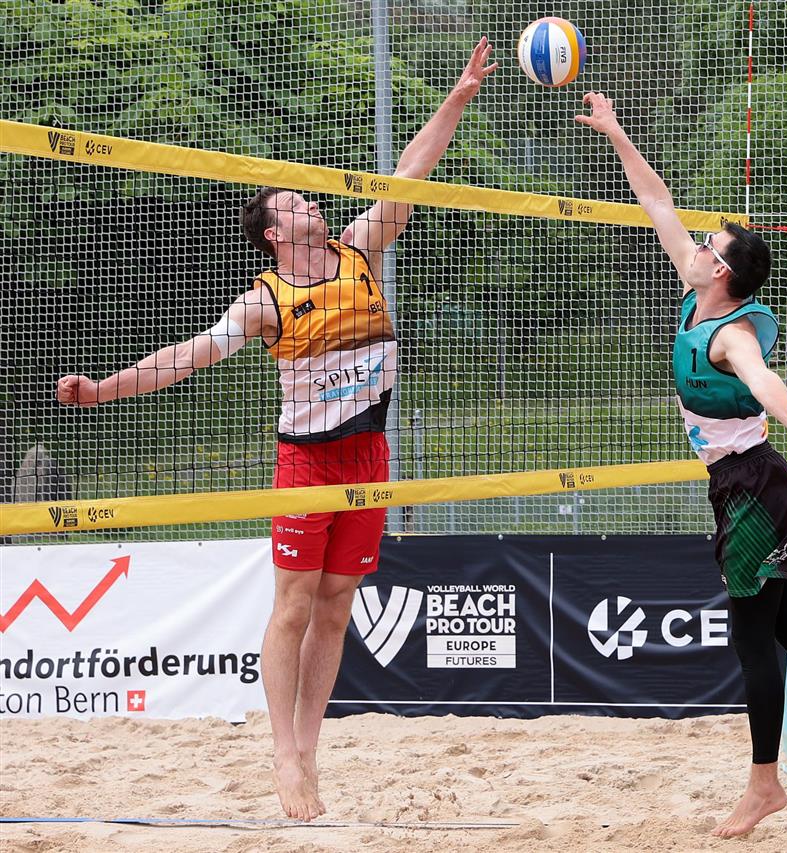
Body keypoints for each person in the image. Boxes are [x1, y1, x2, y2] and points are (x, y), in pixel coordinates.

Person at [55, 39, 497, 821]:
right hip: (307, 462)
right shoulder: (263, 301)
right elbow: (184, 357)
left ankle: (311, 749)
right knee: (293, 605)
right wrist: (101, 390)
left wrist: (458, 96)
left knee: (337, 605)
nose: (311, 205)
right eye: (294, 205)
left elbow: (411, 173)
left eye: (308, 199)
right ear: (273, 233)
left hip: (368, 453)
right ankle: (284, 754)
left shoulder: (360, 250)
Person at [576, 91, 787, 838]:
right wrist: (616, 130)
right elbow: (657, 201)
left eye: (707, 245)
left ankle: (763, 784)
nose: (695, 245)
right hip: (747, 485)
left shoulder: (731, 334)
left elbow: (761, 377)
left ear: (721, 271)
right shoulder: (698, 294)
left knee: (754, 641)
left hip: (752, 487)